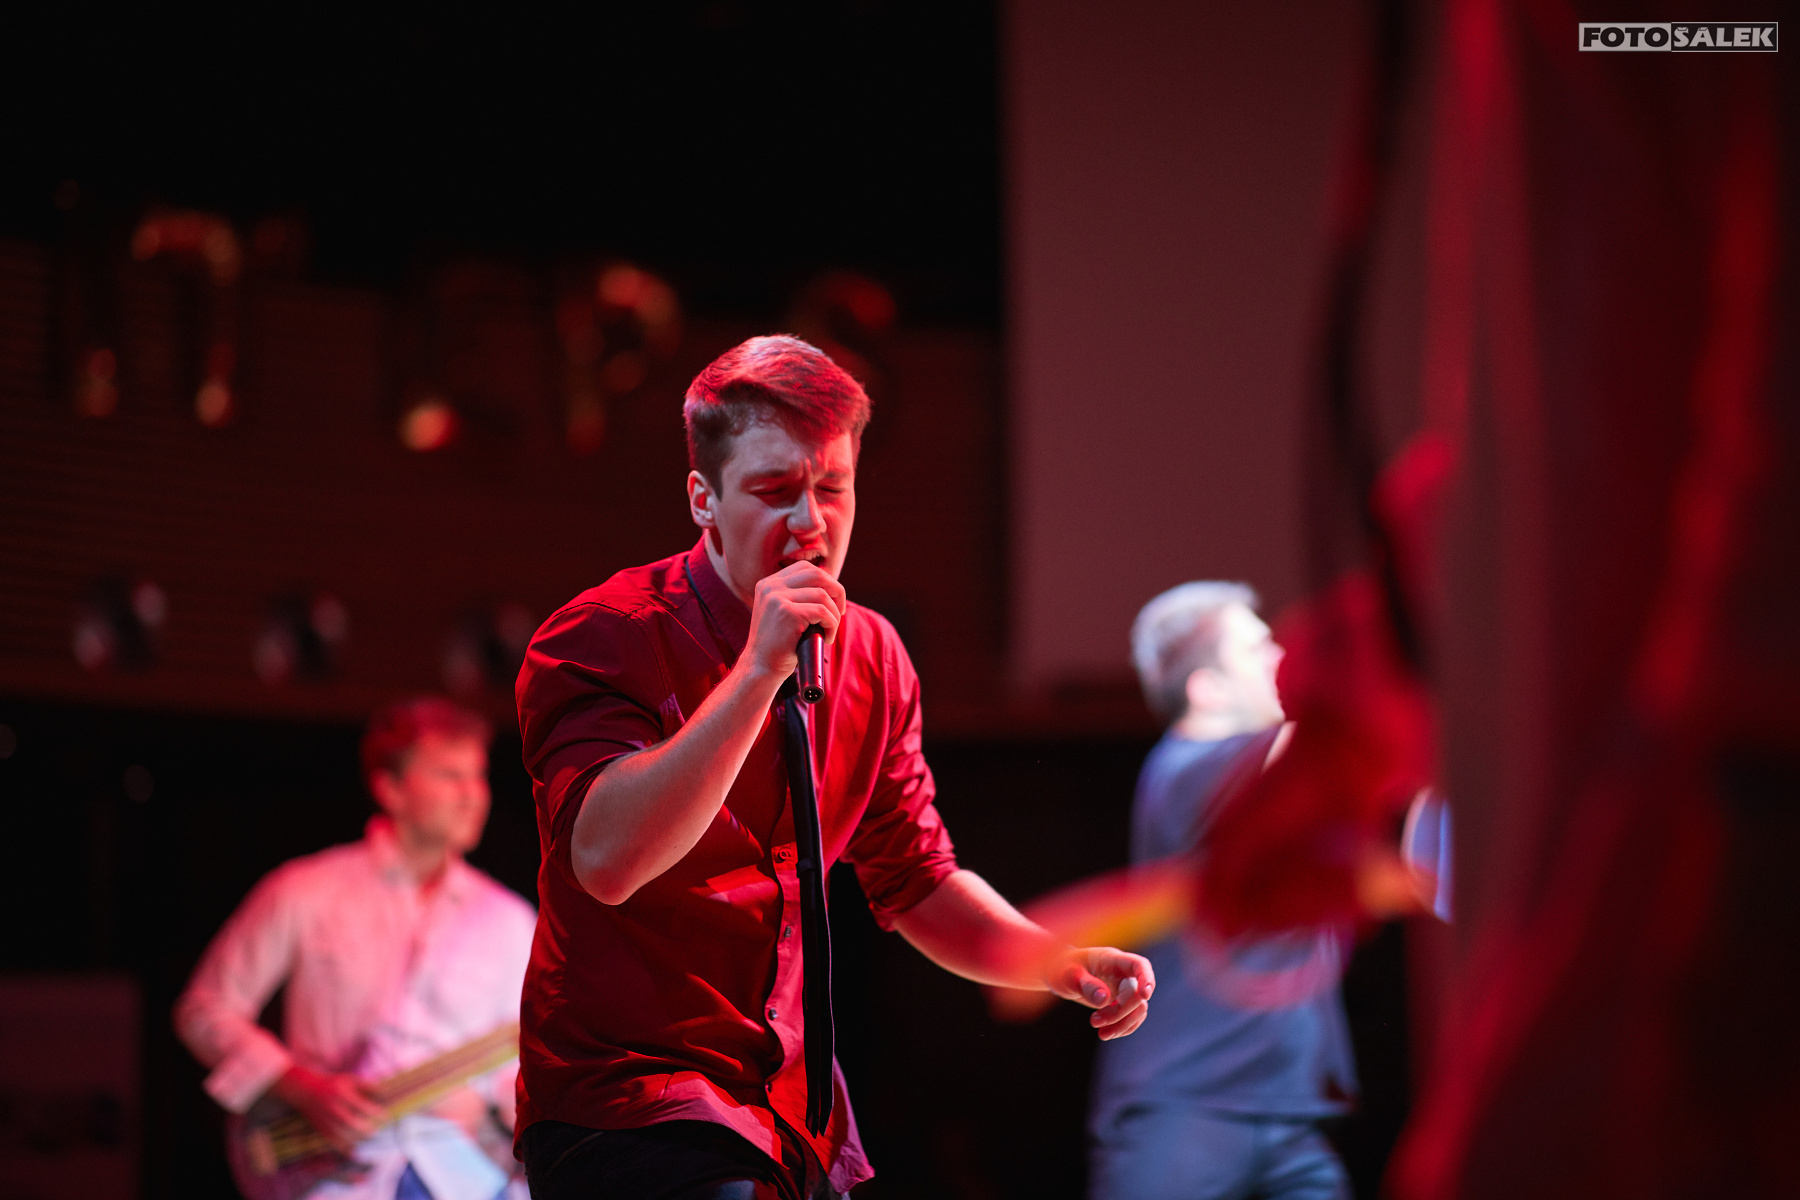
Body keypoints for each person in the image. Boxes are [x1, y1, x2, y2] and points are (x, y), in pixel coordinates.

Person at [513, 335, 1156, 1200]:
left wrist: (1055, 964)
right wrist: (757, 672)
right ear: (703, 500)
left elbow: (917, 881)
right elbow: (606, 861)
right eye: (774, 491)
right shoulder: (605, 634)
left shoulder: (873, 656)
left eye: (833, 488)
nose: (810, 522)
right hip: (628, 1103)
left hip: (794, 1114)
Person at [176, 697, 538, 1200]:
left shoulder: (509, 919)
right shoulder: (304, 891)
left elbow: (519, 1065)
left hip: (466, 1176)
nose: (472, 795)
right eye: (449, 776)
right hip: (335, 1175)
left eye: (478, 777)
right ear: (389, 787)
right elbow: (204, 1009)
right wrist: (301, 1086)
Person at [1088, 583, 1358, 1200]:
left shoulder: (1287, 782)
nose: (1280, 658)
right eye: (1258, 648)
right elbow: (1326, 741)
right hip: (1187, 1107)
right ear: (1206, 688)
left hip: (1293, 1111)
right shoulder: (1188, 769)